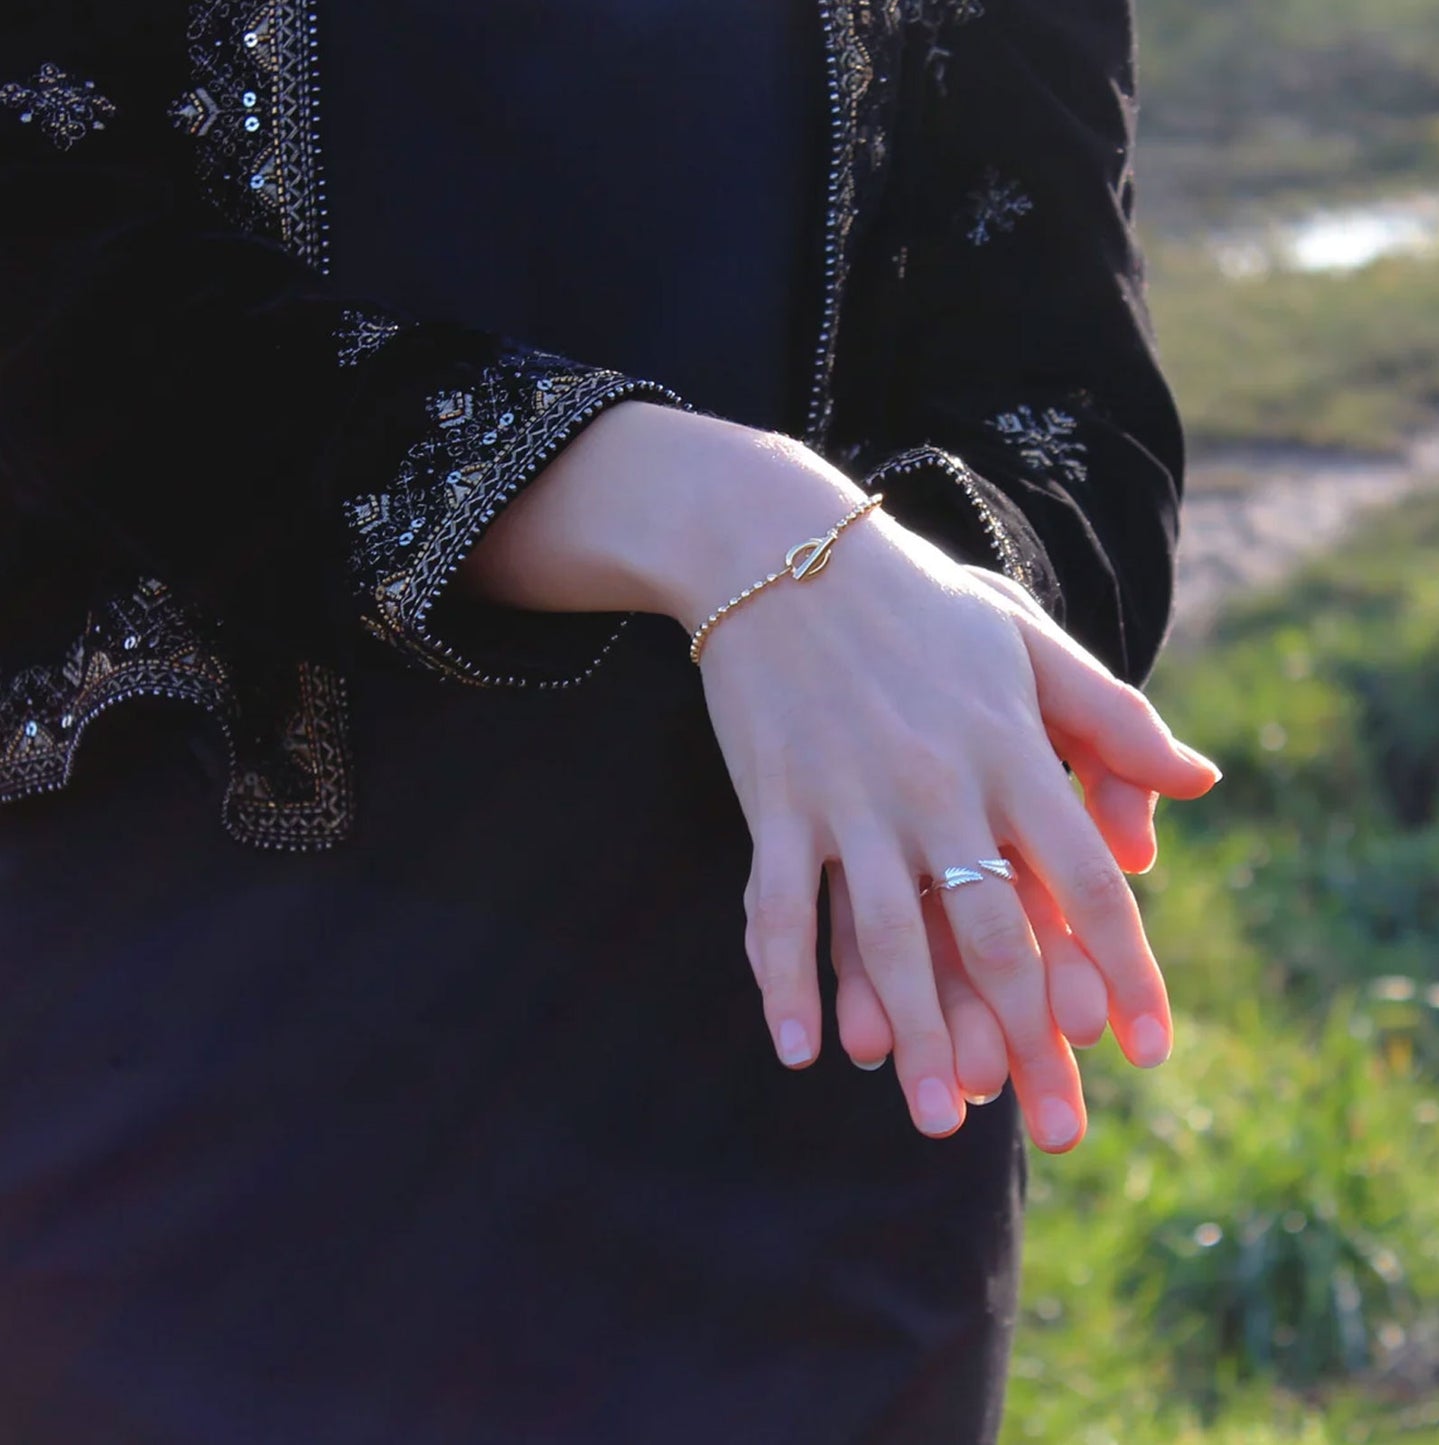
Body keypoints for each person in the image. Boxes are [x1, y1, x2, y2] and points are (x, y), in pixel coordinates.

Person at [0, 3, 1219, 1442]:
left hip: (800, 1065)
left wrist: (931, 617)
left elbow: (1061, 386)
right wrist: (720, 513)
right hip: (182, 1054)